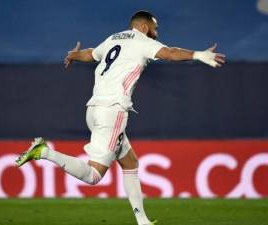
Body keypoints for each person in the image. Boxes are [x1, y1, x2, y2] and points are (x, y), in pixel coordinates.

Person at [16, 10, 225, 225]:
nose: (156, 33)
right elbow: (169, 53)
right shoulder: (142, 41)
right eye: (155, 28)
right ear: (144, 28)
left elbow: (91, 54)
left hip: (95, 109)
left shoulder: (114, 38)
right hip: (112, 111)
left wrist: (73, 55)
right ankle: (45, 152)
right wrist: (199, 55)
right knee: (93, 176)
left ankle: (142, 221)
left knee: (130, 162)